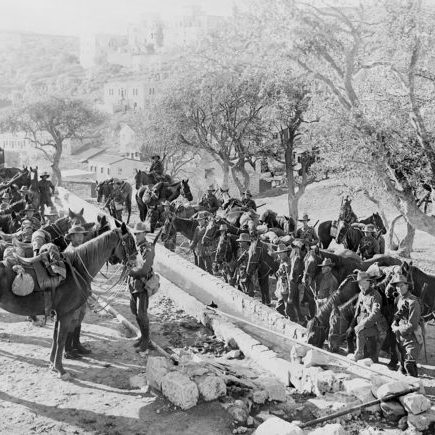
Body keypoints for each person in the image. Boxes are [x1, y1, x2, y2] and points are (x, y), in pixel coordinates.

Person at [128, 221, 157, 352]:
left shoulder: (148, 249)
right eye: (135, 234)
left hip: (143, 285)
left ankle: (146, 341)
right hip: (133, 284)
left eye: (138, 234)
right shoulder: (136, 247)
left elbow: (145, 269)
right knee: (135, 311)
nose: (136, 236)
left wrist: (131, 271)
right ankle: (142, 337)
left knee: (142, 314)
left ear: (144, 233)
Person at [63, 225, 91, 359]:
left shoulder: (81, 250)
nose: (80, 238)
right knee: (72, 319)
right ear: (71, 237)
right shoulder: (70, 251)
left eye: (82, 235)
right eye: (77, 235)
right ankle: (68, 349)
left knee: (80, 317)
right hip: (73, 292)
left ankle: (76, 343)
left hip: (82, 290)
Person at [347, 271, 388, 362]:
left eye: (364, 282)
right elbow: (357, 312)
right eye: (360, 283)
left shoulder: (375, 295)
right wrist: (352, 326)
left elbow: (375, 313)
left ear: (369, 282)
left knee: (360, 332)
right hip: (363, 324)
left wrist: (362, 324)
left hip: (376, 325)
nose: (362, 285)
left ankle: (359, 354)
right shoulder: (361, 294)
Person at [390, 274, 423, 377]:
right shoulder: (400, 299)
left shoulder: (413, 302)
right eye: (397, 286)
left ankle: (416, 389)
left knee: (409, 364)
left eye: (402, 285)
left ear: (408, 286)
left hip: (412, 337)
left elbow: (412, 325)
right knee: (405, 363)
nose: (399, 288)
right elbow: (398, 314)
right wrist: (394, 322)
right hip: (401, 337)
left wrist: (397, 328)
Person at [288, 239, 305, 323]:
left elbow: (300, 269)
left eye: (297, 247)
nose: (295, 249)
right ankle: (297, 318)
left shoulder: (301, 257)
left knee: (293, 299)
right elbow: (292, 267)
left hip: (297, 280)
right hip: (292, 279)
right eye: (295, 247)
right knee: (294, 299)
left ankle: (297, 317)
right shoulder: (293, 256)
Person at [274, 243, 291, 317]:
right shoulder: (282, 261)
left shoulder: (288, 262)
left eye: (280, 253)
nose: (279, 255)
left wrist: (282, 272)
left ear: (285, 253)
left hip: (286, 287)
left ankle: (288, 315)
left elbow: (287, 275)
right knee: (280, 306)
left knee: (284, 304)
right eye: (278, 254)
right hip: (282, 285)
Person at [234, 232, 254, 297]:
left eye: (241, 242)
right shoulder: (242, 250)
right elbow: (238, 263)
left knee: (249, 293)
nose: (239, 243)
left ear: (245, 242)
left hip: (248, 276)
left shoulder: (251, 252)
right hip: (241, 274)